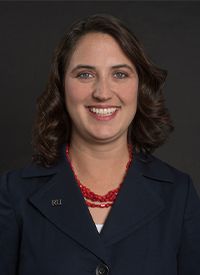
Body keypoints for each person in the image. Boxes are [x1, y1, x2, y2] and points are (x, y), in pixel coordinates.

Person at [0, 14, 200, 275]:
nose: (103, 92)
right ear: (61, 86)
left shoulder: (179, 194)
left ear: (140, 86)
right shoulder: (15, 193)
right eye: (85, 74)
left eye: (119, 74)